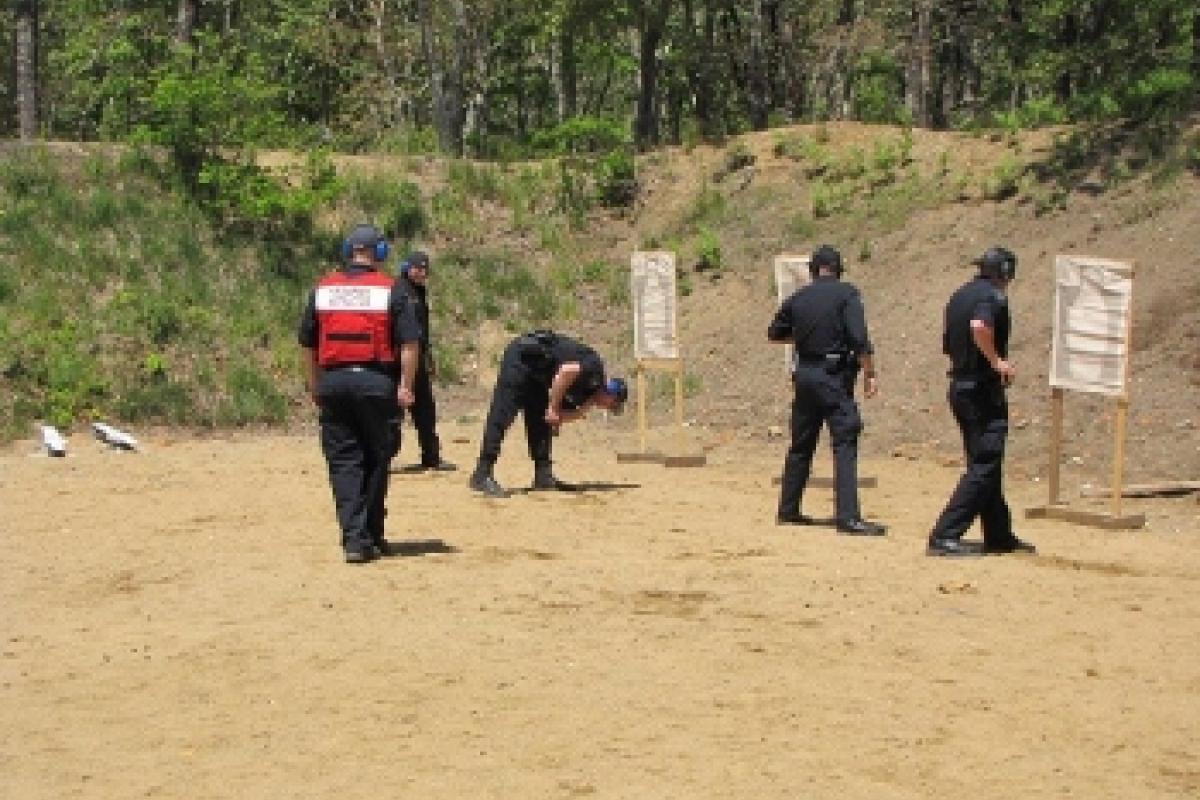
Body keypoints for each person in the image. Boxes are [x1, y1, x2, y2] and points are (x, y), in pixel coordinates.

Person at [298, 223, 420, 563]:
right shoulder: (392, 289)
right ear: (379, 253)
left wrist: (314, 384)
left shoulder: (323, 289)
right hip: (376, 383)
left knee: (343, 464)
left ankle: (355, 539)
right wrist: (406, 387)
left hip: (334, 383)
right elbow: (410, 344)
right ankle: (373, 533)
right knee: (378, 458)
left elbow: (307, 345)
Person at [767, 244, 886, 536]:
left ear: (813, 270)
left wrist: (807, 338)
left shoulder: (799, 298)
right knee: (845, 440)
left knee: (801, 444)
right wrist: (869, 373)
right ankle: (848, 517)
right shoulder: (847, 294)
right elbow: (859, 338)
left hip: (805, 374)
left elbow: (775, 333)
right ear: (838, 269)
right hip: (832, 376)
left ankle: (788, 509)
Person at [927, 246, 1036, 557]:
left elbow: (949, 341)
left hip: (962, 384)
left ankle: (998, 533)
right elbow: (979, 328)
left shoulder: (960, 294)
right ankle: (945, 534)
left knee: (986, 463)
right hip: (979, 388)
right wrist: (996, 361)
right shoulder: (990, 297)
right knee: (985, 463)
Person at [467, 330, 628, 498]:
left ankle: (543, 475)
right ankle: (482, 473)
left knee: (539, 420)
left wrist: (570, 412)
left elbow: (560, 416)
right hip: (522, 357)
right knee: (502, 414)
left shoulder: (589, 395)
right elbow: (566, 371)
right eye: (612, 406)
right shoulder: (595, 371)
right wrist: (553, 407)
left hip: (538, 372)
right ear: (612, 395)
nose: (606, 408)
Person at [394, 250, 456, 472]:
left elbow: (422, 333)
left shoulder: (418, 292)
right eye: (417, 268)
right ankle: (382, 458)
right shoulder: (400, 291)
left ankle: (431, 457)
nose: (421, 272)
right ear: (406, 267)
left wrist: (427, 358)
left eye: (424, 269)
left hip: (417, 357)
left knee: (426, 411)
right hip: (400, 359)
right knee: (395, 413)